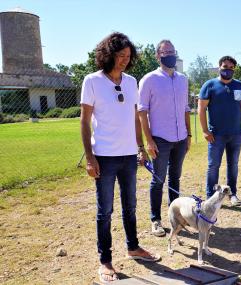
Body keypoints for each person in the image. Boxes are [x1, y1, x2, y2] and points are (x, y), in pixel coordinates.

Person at [80, 32, 160, 284]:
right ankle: (105, 261)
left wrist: (140, 147)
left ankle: (133, 247)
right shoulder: (92, 81)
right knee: (105, 211)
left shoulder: (131, 82)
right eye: (120, 55)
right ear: (108, 54)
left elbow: (136, 117)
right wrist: (90, 158)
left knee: (130, 206)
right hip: (104, 156)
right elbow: (84, 122)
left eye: (128, 56)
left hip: (128, 156)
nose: (125, 60)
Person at [138, 39, 191, 237]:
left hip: (180, 138)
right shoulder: (149, 80)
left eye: (172, 51)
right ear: (157, 56)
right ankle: (156, 220)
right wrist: (148, 140)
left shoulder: (182, 80)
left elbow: (186, 108)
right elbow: (141, 112)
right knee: (158, 179)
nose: (170, 54)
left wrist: (189, 134)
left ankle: (175, 216)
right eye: (165, 51)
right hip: (160, 139)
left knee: (175, 178)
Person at [198, 55, 241, 206]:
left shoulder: (239, 86)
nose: (228, 70)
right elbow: (201, 109)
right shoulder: (210, 85)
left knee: (233, 165)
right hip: (216, 136)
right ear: (219, 67)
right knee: (213, 166)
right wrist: (205, 131)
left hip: (235, 134)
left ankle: (232, 194)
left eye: (231, 68)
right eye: (225, 67)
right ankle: (211, 196)